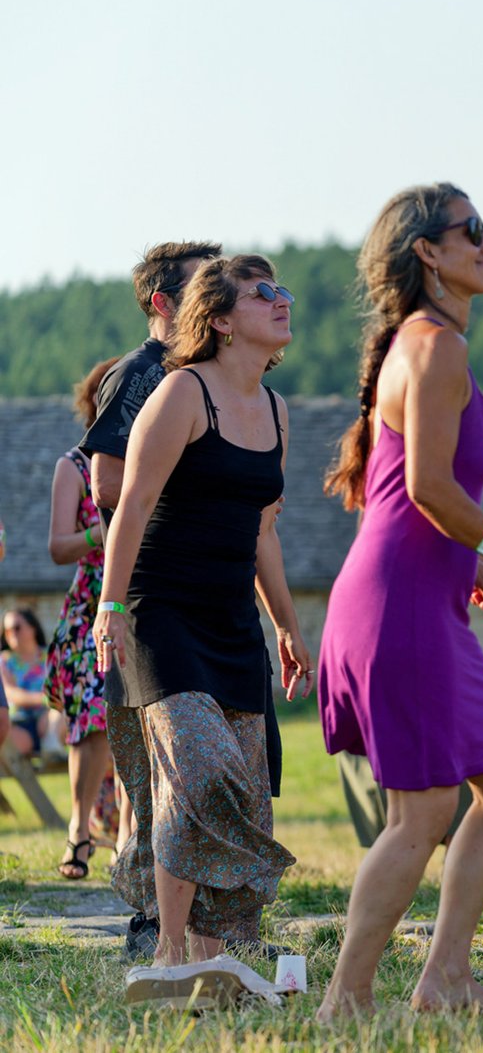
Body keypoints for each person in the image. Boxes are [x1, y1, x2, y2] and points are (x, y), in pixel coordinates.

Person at [317, 185, 483, 1018]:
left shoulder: (422, 344)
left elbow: (403, 493)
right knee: (420, 812)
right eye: (473, 231)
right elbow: (427, 485)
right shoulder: (432, 347)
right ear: (427, 251)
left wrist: (471, 563)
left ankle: (446, 979)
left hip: (420, 599)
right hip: (398, 607)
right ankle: (345, 1000)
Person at [93, 254, 309, 992]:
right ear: (219, 318)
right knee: (198, 766)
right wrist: (110, 606)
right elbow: (133, 505)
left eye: (281, 290)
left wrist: (285, 624)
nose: (282, 301)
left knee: (244, 788)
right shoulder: (182, 392)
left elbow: (264, 534)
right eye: (263, 293)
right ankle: (166, 949)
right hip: (162, 614)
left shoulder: (277, 410)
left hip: (230, 619)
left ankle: (210, 956)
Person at [79, 239, 221, 958]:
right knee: (150, 774)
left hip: (208, 599)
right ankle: (148, 925)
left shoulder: (208, 375)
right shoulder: (140, 375)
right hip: (145, 598)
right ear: (163, 303)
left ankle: (200, 924)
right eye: (203, 285)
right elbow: (107, 487)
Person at [44, 357, 121, 879]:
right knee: (91, 723)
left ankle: (126, 841)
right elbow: (56, 547)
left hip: (140, 600)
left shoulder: (154, 457)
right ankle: (78, 829)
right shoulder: (72, 465)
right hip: (89, 605)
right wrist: (103, 535)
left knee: (133, 721)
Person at [3, 609, 64, 759]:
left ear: (33, 628)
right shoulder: (4, 660)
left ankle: (51, 746)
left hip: (49, 719)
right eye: (7, 631)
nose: (12, 633)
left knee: (64, 711)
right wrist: (45, 698)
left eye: (16, 627)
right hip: (18, 724)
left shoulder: (52, 656)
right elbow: (10, 693)